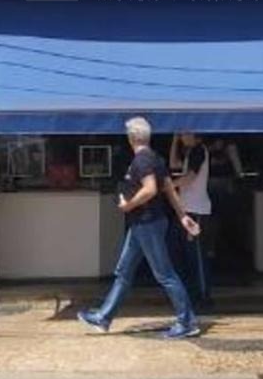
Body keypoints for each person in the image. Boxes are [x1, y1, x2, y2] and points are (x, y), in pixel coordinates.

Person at [78, 116, 201, 340]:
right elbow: (168, 188)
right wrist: (182, 215)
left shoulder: (142, 161)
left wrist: (128, 205)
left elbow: (151, 189)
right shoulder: (155, 158)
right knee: (124, 272)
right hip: (144, 223)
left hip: (147, 222)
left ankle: (187, 322)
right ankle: (103, 317)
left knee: (165, 274)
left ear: (131, 138)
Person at [169, 130, 212, 308]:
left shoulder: (199, 150)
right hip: (186, 210)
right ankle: (191, 293)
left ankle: (203, 296)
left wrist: (169, 186)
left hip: (196, 210)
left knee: (196, 256)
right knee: (181, 253)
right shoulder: (190, 153)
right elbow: (173, 163)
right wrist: (174, 141)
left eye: (184, 133)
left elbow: (190, 177)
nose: (182, 137)